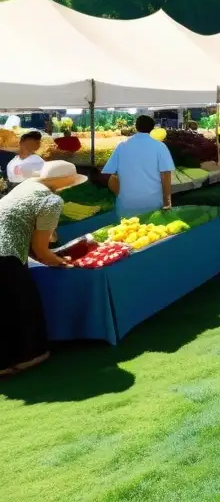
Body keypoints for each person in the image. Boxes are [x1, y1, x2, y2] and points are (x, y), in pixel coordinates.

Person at [0, 160, 89, 376]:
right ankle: (25, 358)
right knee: (22, 306)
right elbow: (41, 249)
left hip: (7, 251)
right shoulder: (51, 200)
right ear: (65, 181)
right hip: (6, 255)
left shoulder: (26, 186)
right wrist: (60, 261)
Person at [103, 116, 175, 216]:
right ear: (152, 128)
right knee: (151, 230)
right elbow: (166, 176)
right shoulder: (160, 147)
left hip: (127, 204)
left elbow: (112, 177)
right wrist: (167, 202)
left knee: (127, 230)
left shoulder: (122, 146)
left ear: (136, 127)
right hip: (152, 203)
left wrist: (121, 195)